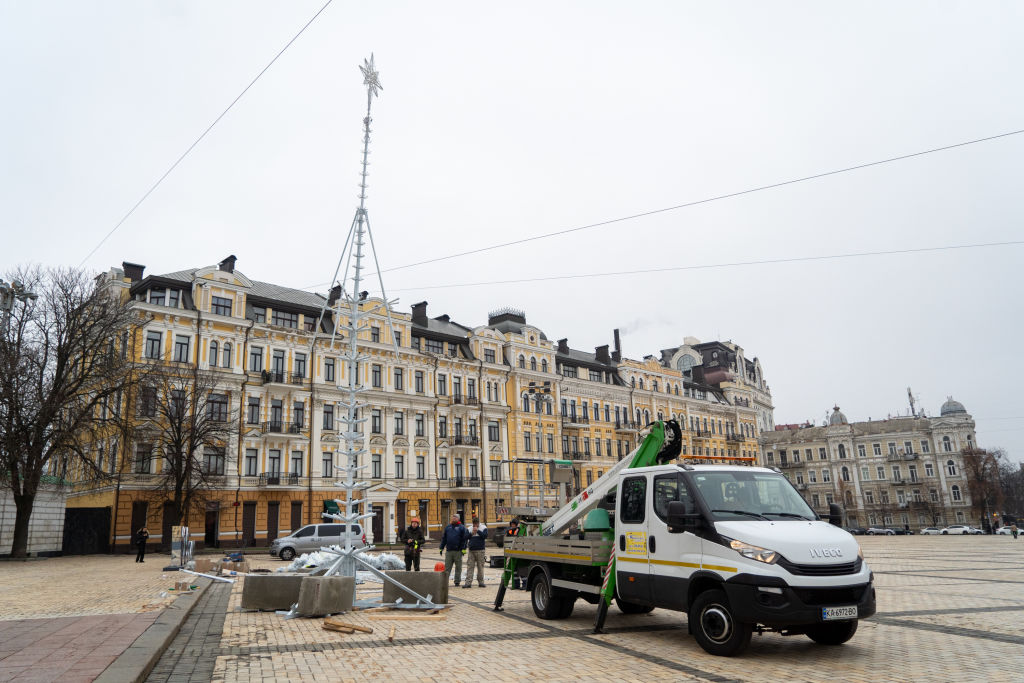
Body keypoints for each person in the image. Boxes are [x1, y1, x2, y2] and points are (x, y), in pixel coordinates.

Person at [439, 514, 469, 586]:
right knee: (447, 567)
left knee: (458, 567)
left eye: (455, 518)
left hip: (458, 551)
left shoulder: (462, 528)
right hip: (449, 550)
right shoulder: (448, 527)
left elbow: (465, 539)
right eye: (452, 518)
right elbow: (444, 538)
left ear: (458, 519)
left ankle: (457, 581)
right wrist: (441, 547)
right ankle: (445, 581)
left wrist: (464, 549)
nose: (453, 519)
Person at [464, 520, 488, 588]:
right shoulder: (469, 528)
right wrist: (472, 533)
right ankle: (468, 583)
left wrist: (477, 531)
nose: (474, 526)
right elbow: (465, 537)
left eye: (476, 524)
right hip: (471, 550)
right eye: (473, 524)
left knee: (480, 567)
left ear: (478, 523)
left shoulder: (483, 527)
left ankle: (481, 582)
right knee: (470, 567)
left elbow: (485, 536)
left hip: (480, 550)